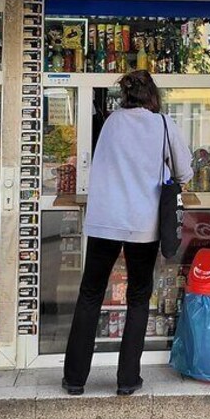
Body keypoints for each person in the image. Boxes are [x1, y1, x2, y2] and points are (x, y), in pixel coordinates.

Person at [62, 70, 193, 396]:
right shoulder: (162, 124)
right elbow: (185, 169)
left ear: (125, 94)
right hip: (142, 224)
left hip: (105, 220)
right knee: (137, 297)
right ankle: (127, 379)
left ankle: (75, 379)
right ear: (152, 95)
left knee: (90, 294)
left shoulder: (110, 122)